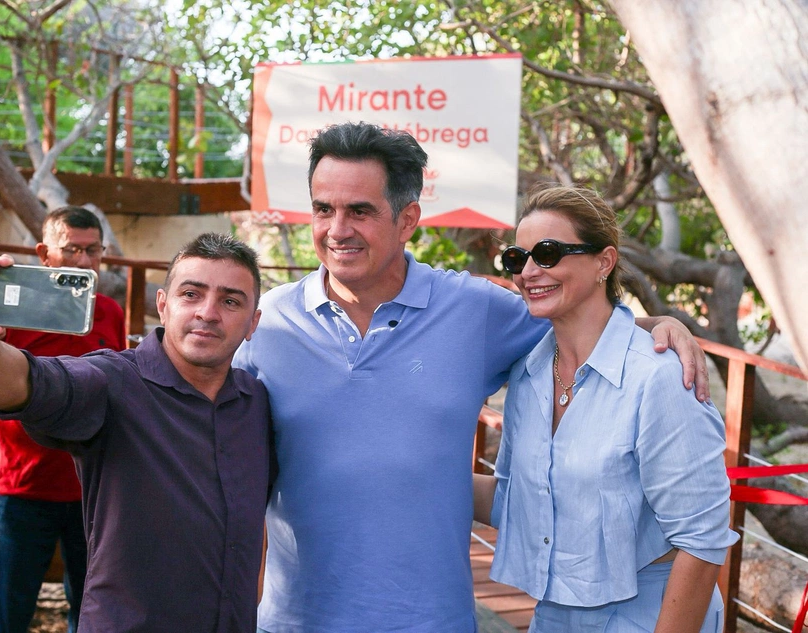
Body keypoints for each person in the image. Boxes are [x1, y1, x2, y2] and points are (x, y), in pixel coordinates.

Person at [232, 122, 711, 632]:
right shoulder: (267, 322)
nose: (337, 229)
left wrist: (658, 327)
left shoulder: (475, 310)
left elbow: (581, 321)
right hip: (294, 620)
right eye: (323, 209)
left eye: (360, 211)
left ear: (407, 219)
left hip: (433, 621)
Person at [0, 232, 271, 633]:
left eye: (230, 300)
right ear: (164, 306)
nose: (208, 312)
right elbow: (28, 384)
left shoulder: (256, 402)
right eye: (191, 294)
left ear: (253, 321)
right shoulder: (112, 381)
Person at [474, 185, 737, 632]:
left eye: (550, 252)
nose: (530, 272)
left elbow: (702, 541)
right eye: (518, 259)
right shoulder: (529, 373)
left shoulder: (658, 378)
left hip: (651, 615)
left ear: (604, 261)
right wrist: (410, 475)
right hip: (554, 614)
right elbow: (514, 500)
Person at [0, 206, 126, 633]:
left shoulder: (110, 313)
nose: (83, 261)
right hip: (25, 484)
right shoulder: (13, 308)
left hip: (91, 485)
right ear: (45, 253)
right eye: (71, 250)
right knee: (13, 603)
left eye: (92, 251)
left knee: (92, 604)